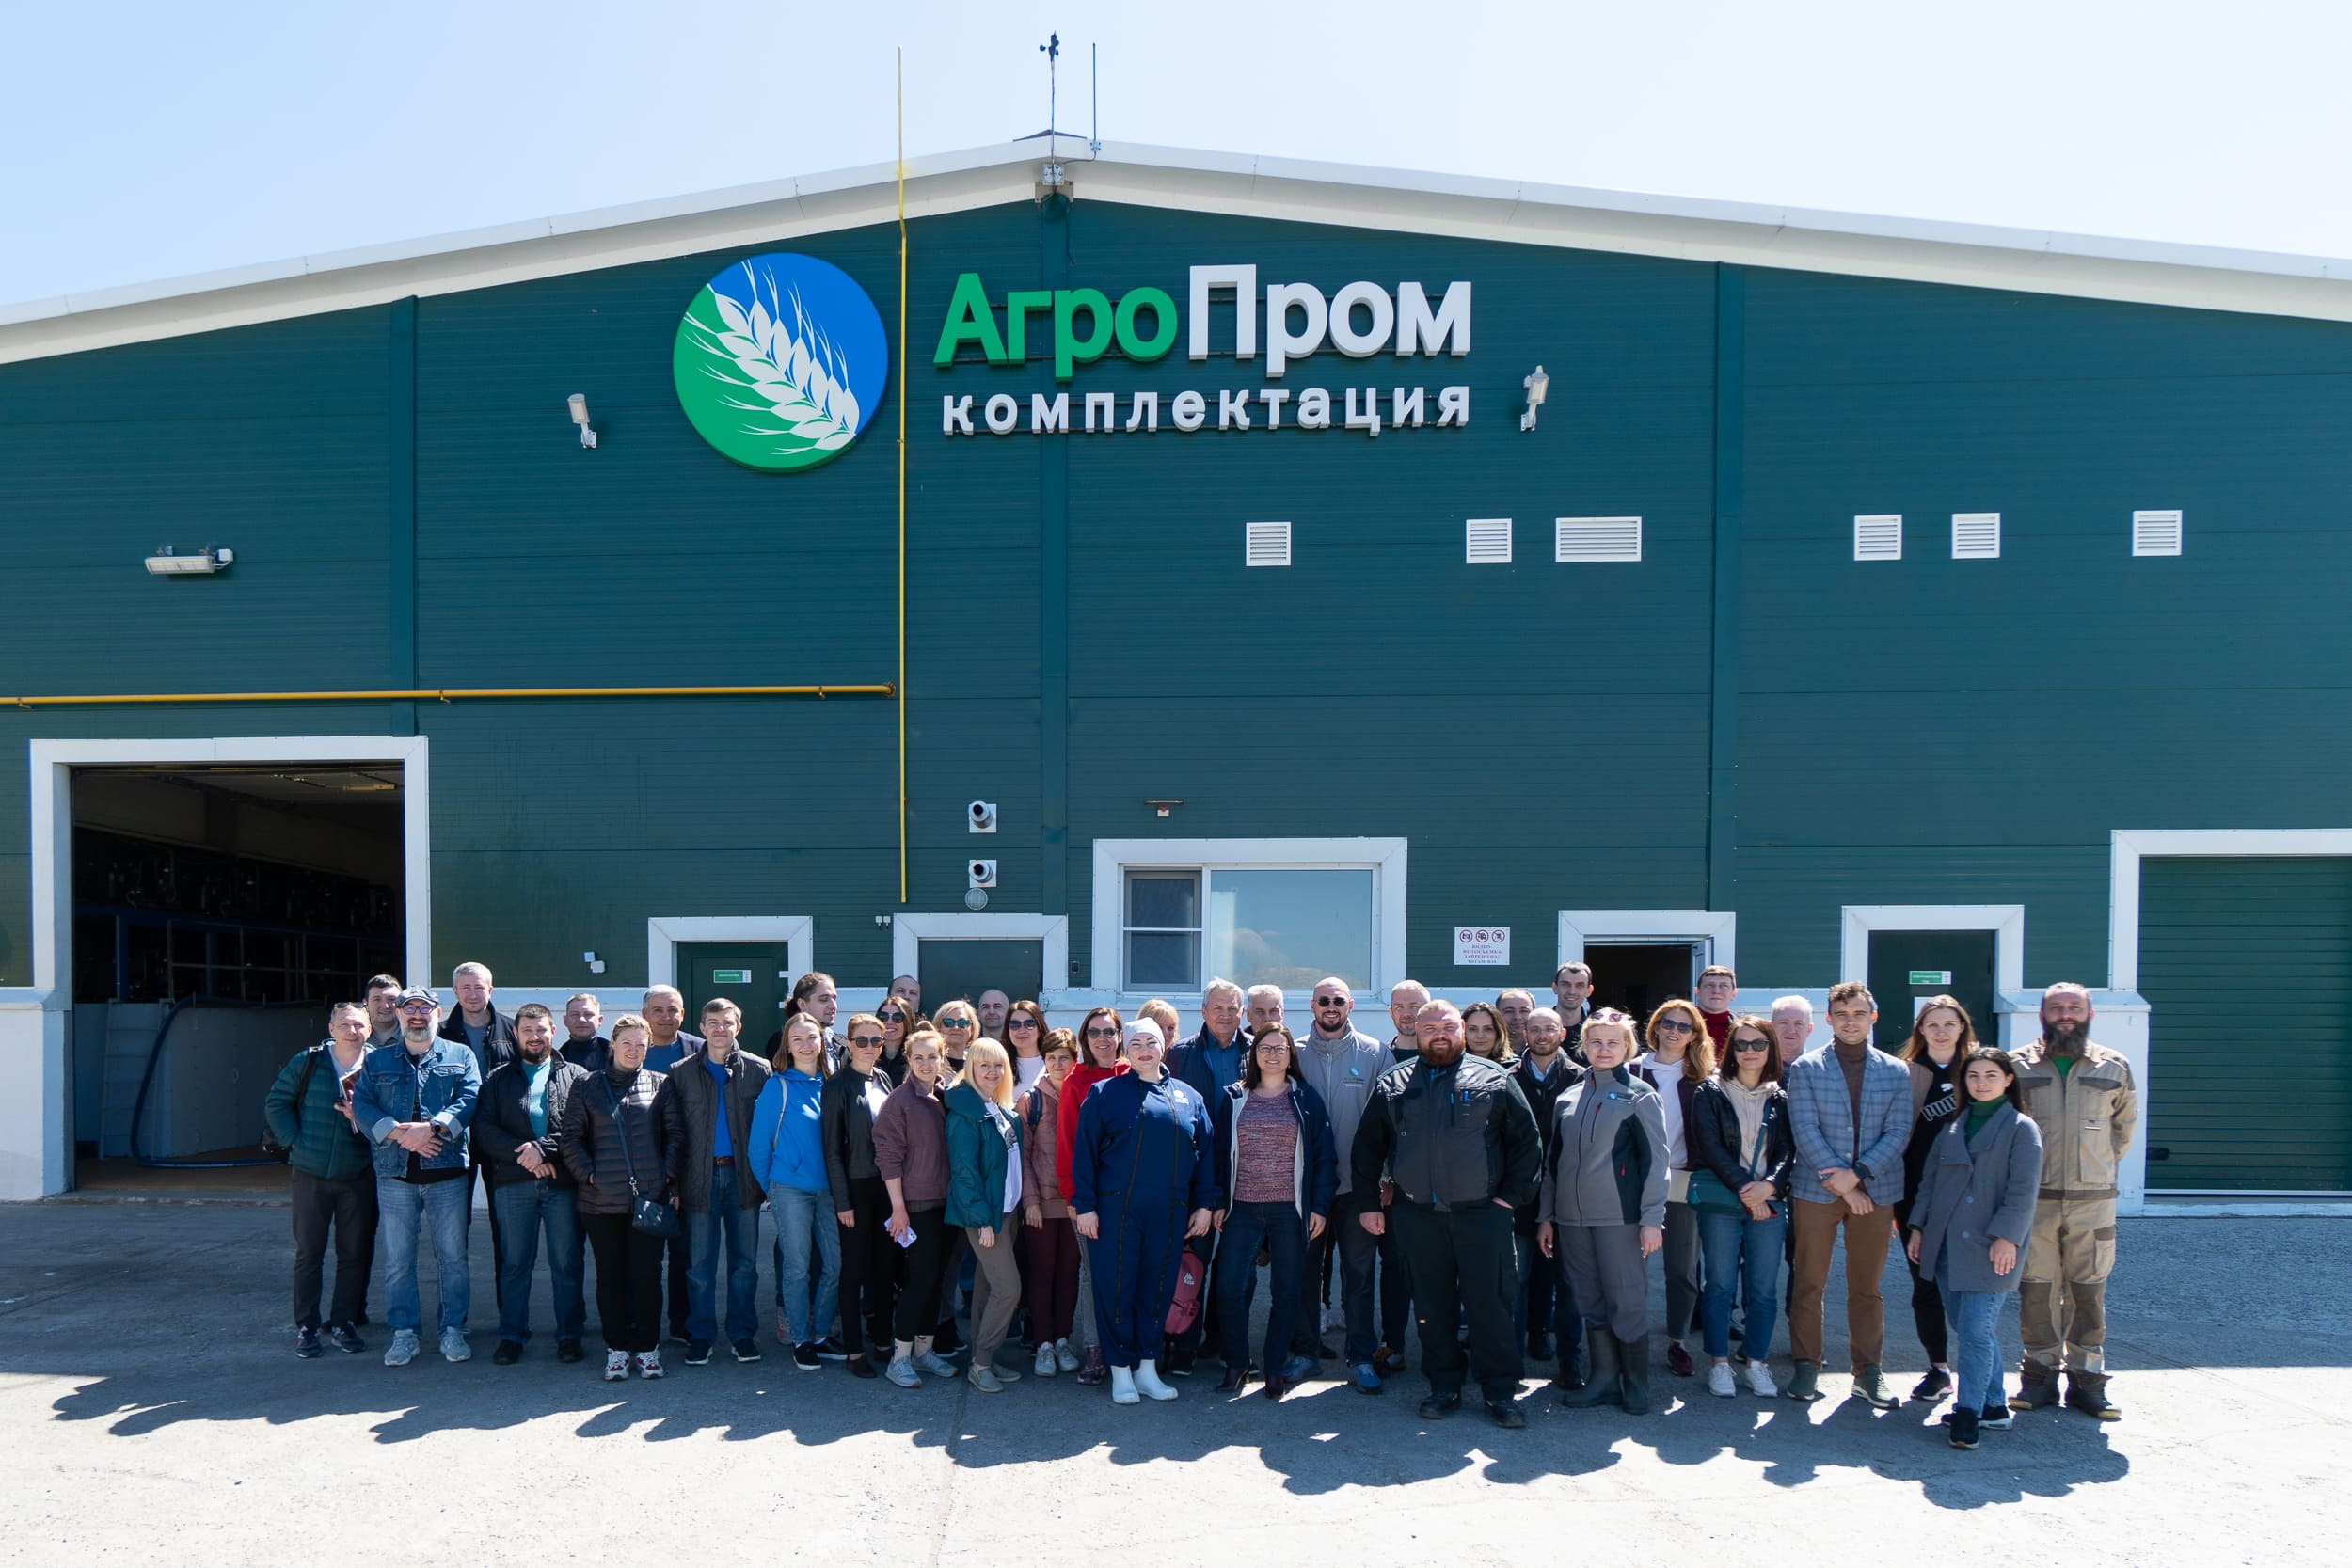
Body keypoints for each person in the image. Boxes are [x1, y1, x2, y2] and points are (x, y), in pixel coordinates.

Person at [1354, 999, 1542, 1430]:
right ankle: (1444, 1385)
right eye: (1430, 1028)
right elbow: (1367, 1149)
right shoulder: (1393, 1083)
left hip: (1483, 1215)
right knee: (1431, 1306)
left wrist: (1510, 1199)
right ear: (1416, 1032)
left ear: (1461, 1029)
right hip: (1417, 1216)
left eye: (1447, 1028)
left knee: (1491, 1304)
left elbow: (1527, 1143)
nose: (1439, 1035)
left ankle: (1499, 1391)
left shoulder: (1494, 1079)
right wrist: (1368, 1203)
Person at [1072, 1018, 1216, 1406]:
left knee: (1157, 1290)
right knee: (1116, 1289)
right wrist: (1085, 1207)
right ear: (1126, 1050)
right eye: (1136, 1044)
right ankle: (1121, 1370)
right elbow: (1083, 1154)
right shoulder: (1105, 1093)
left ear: (1163, 1046)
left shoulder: (1189, 1097)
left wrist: (1205, 1205)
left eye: (1151, 1042)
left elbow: (1206, 1157)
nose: (1145, 1050)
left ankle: (1147, 1369)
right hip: (1116, 1211)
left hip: (1168, 1213)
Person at [2010, 982, 2136, 1420]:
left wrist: (2094, 1169)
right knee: (2037, 1291)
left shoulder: (2114, 1066)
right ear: (2042, 1015)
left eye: (2075, 1008)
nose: (2066, 1014)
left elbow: (2123, 1130)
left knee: (2088, 1292)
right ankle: (2038, 1377)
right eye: (2057, 1007)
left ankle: (2087, 1381)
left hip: (2092, 1203)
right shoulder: (2016, 1066)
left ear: (2090, 1014)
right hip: (2036, 1201)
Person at [1784, 981, 1914, 1408]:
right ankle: (1807, 1363)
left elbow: (1898, 1131)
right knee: (1809, 1281)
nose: (1850, 1022)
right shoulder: (1807, 1068)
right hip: (1816, 1188)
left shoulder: (1895, 1070)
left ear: (1872, 1017)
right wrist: (1839, 1179)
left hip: (1876, 1189)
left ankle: (1868, 1370)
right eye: (1841, 1015)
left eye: (1858, 1014)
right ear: (1829, 1020)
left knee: (1866, 1286)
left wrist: (1857, 1177)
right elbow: (1804, 1128)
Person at [1907, 1047, 2044, 1449]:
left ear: (2008, 1080)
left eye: (1990, 1075)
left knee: (1975, 1330)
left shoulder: (2022, 1128)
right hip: (1946, 1245)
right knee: (1968, 1327)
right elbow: (1929, 1183)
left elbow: (2023, 1191)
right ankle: (1994, 1406)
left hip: (1991, 1246)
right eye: (1973, 1076)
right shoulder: (1954, 1126)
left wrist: (2007, 1237)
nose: (1981, 1083)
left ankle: (1967, 1411)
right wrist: (1918, 1227)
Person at [1538, 1008, 1668, 1413]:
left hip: (1620, 1219)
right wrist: (1546, 1216)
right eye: (1596, 1042)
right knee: (1589, 1299)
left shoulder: (1640, 1096)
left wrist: (1652, 1220)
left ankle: (1636, 1384)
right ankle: (1603, 1379)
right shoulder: (1568, 1096)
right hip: (1571, 1219)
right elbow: (1553, 1163)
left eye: (1613, 1042)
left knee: (1625, 1300)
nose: (1604, 1049)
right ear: (1585, 1046)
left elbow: (1657, 1163)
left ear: (1628, 1046)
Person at [351, 984, 480, 1368]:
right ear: (399, 1015)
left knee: (453, 1259)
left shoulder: (461, 1055)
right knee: (398, 1261)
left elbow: (470, 1097)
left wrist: (432, 1129)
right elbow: (363, 1104)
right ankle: (404, 1333)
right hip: (395, 1176)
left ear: (437, 1013)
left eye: (425, 1009)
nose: (417, 1016)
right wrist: (399, 1134)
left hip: (447, 1174)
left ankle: (453, 1330)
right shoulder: (377, 1060)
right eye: (410, 1009)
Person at [1207, 1024, 1337, 1400]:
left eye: (1281, 1048)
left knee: (1287, 1290)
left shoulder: (1306, 1098)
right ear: (1254, 1055)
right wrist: (1218, 1201)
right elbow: (1218, 1155)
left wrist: (1319, 1207)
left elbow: (1324, 1157)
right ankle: (1237, 1362)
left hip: (1290, 1210)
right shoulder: (1234, 1097)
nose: (1273, 1054)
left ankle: (1275, 1366)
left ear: (1291, 1055)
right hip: (1242, 1209)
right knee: (1229, 1287)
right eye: (1265, 1048)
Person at [473, 1002, 590, 1365]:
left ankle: (569, 1335)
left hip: (562, 1183)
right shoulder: (497, 1079)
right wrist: (524, 1155)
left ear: (553, 1031)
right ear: (516, 1034)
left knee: (566, 1262)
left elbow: (581, 1128)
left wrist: (543, 1150)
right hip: (513, 1183)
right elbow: (484, 1129)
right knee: (514, 1263)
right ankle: (511, 1335)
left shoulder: (577, 1075)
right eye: (527, 1030)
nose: (535, 1036)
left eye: (541, 1030)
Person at [1291, 976, 1392, 1393]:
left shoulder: (1375, 1053)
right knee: (1304, 1274)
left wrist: (1384, 1178)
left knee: (1359, 1277)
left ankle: (1362, 1357)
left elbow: (1390, 1121)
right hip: (1306, 1188)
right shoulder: (1292, 1052)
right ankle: (1304, 1352)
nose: (1330, 1007)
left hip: (1357, 1188)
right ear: (1312, 1006)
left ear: (1350, 1005)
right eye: (1323, 1001)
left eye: (1338, 1000)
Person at [559, 1013, 674, 1380]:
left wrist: (666, 1179)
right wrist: (589, 1174)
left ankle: (648, 1348)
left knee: (647, 1277)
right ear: (613, 1044)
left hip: (648, 1200)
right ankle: (617, 1349)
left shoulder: (661, 1084)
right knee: (610, 1277)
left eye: (641, 1044)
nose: (634, 1050)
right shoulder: (587, 1085)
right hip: (600, 1202)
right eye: (627, 1043)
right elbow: (570, 1139)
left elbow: (675, 1137)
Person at [657, 997, 771, 1366]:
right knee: (699, 1266)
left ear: (739, 1027)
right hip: (698, 1178)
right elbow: (672, 1133)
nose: (720, 1029)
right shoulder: (680, 1072)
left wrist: (768, 1180)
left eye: (727, 1023)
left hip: (743, 1178)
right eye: (713, 1023)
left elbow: (769, 1130)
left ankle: (742, 1335)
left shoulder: (759, 1070)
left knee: (745, 1265)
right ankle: (701, 1335)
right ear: (702, 1028)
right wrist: (673, 1185)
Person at [264, 1001, 378, 1357]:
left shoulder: (379, 1065)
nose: (352, 1031)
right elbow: (276, 1102)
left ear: (370, 1030)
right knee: (309, 1253)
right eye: (344, 1024)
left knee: (353, 1253)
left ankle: (343, 1322)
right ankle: (307, 1326)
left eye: (359, 1025)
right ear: (331, 1029)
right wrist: (295, 1143)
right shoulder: (309, 1061)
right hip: (310, 1174)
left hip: (358, 1174)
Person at [1689, 1015, 1793, 1398]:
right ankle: (1719, 1363)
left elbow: (1788, 1149)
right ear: (1730, 1049)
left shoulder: (1781, 1094)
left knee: (1763, 1289)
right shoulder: (1710, 1091)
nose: (1750, 1051)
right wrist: (1748, 1190)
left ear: (1770, 1049)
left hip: (1769, 1201)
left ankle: (1756, 1363)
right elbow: (1710, 1147)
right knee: (1719, 1284)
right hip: (1722, 1200)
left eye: (1758, 1044)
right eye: (1742, 1044)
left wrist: (1768, 1187)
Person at [1164, 979, 1250, 1375]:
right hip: (1195, 1173)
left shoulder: (1256, 1051)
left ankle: (1225, 1343)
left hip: (1244, 1173)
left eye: (1233, 1008)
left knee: (1236, 1269)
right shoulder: (1179, 1055)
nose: (1226, 1015)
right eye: (1218, 1008)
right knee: (1191, 1262)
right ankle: (1183, 1344)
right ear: (1203, 1012)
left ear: (1242, 1012)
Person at [1895, 996, 1976, 1403]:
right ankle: (1939, 1368)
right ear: (1921, 1030)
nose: (1941, 1031)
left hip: (1970, 1196)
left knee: (1969, 1285)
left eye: (1949, 1023)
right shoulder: (1905, 1073)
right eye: (1933, 1024)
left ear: (1962, 1027)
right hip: (1916, 1196)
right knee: (1924, 1282)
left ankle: (1979, 1370)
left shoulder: (1980, 1069)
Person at [751, 1013, 841, 1370]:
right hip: (790, 1190)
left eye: (812, 1037)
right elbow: (758, 1147)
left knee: (835, 1265)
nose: (806, 1045)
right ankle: (801, 1339)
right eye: (798, 1039)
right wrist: (772, 1189)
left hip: (830, 1191)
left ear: (822, 1042)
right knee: (798, 1267)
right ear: (787, 1045)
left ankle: (821, 1334)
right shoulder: (778, 1087)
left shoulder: (832, 1084)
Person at [874, 1027, 960, 1388]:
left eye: (932, 1057)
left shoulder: (947, 1096)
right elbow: (888, 1157)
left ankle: (924, 1352)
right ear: (909, 1060)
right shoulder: (900, 1101)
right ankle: (900, 1358)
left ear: (942, 1058)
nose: (926, 1064)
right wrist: (898, 1208)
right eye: (919, 1057)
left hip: (949, 1204)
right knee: (919, 1279)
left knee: (937, 1279)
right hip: (916, 1205)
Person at [946, 1040, 1030, 1392]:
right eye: (984, 1065)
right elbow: (964, 1173)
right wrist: (981, 1220)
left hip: (1008, 1213)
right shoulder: (964, 1114)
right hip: (985, 1217)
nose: (992, 1072)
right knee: (1009, 1289)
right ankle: (981, 1363)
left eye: (998, 1065)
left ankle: (984, 1360)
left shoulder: (999, 1109)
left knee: (987, 1287)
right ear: (970, 1069)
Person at [1637, 997, 1712, 1379]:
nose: (1674, 1031)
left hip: (1683, 1179)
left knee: (1682, 1268)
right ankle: (1629, 1341)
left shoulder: (1704, 1077)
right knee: (1632, 1266)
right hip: (1636, 1181)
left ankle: (1678, 1342)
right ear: (1656, 1026)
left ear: (1694, 1034)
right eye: (1668, 1023)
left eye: (1684, 1026)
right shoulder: (1633, 1069)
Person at [1510, 1006, 1583, 1382]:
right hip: (1519, 1197)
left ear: (1563, 1034)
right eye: (1535, 1029)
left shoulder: (1581, 1079)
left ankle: (1570, 1361)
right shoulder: (1508, 1078)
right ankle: (1511, 1361)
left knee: (1568, 1283)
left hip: (1569, 1197)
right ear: (1525, 1033)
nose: (1542, 1035)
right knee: (1517, 1280)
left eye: (1549, 1029)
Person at [822, 1013, 898, 1378]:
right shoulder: (837, 1086)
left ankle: (882, 1338)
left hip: (886, 1186)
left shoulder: (882, 1078)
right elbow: (832, 1149)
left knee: (885, 1266)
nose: (869, 1047)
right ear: (849, 1044)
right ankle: (854, 1349)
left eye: (876, 1041)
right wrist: (843, 1202)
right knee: (853, 1269)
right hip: (855, 1187)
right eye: (862, 1040)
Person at [1057, 1006, 1128, 1386]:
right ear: (1084, 1039)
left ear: (1120, 1036)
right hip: (1090, 1197)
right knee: (1093, 1273)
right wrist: (1074, 1197)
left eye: (1109, 1032)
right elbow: (1067, 1143)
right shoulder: (1075, 1082)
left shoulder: (1136, 1074)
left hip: (1132, 1195)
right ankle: (1095, 1348)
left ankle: (1128, 1346)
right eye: (1094, 1033)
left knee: (1130, 1271)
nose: (1102, 1039)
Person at [1373, 979, 1431, 1370]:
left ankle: (1438, 1350)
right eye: (1400, 1007)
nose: (1408, 1014)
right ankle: (1392, 1344)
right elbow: (1375, 1129)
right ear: (1391, 1012)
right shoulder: (1381, 1058)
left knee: (1435, 1270)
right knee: (1393, 1266)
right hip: (1393, 1188)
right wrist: (1383, 1177)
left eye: (1416, 1006)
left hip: (1440, 1188)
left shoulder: (1445, 1056)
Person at [1018, 1029, 1083, 1379]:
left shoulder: (1085, 1094)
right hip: (1041, 1202)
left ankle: (1062, 1339)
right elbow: (1023, 1155)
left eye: (1064, 1058)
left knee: (1069, 1272)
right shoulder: (1031, 1100)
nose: (1058, 1064)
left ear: (1075, 1060)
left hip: (1075, 1203)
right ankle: (1043, 1343)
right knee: (1042, 1272)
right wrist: (1029, 1200)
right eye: (1052, 1058)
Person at [640, 985, 704, 1343]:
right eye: (658, 1010)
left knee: (685, 1253)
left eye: (673, 1010)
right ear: (645, 1014)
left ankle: (683, 1322)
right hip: (642, 1167)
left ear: (683, 1014)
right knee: (644, 1255)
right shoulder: (632, 1048)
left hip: (690, 1165)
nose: (666, 1017)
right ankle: (641, 1324)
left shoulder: (699, 1048)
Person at [439, 961, 517, 1078]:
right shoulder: (440, 1035)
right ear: (456, 992)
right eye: (466, 988)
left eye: (479, 987)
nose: (473, 995)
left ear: (490, 991)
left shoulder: (513, 1030)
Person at [1003, 1000, 1049, 1092]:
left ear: (1040, 1029)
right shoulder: (1000, 1064)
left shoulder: (1054, 1062)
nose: (1022, 1030)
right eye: (1015, 1025)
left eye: (1029, 1024)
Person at [1551, 963, 1594, 1062]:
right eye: (1565, 984)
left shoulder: (1595, 1032)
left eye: (1580, 985)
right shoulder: (1540, 1029)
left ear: (1589, 991)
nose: (1572, 991)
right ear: (1555, 987)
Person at [1694, 964, 1739, 1054]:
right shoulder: (1681, 1025)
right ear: (1697, 992)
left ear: (1734, 993)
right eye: (1709, 985)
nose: (1716, 991)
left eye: (1724, 985)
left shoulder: (1741, 1029)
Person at [561, 992, 609, 1069]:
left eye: (588, 1014)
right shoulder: (555, 1061)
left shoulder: (616, 1057)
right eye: (575, 1014)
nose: (581, 1020)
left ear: (600, 1020)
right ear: (565, 1020)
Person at [1461, 1000, 1518, 1067]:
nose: (1480, 1036)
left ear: (1498, 1032)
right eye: (1473, 1029)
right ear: (1463, 1032)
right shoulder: (1453, 1067)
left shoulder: (1515, 1067)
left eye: (1488, 1029)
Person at [929, 999, 976, 1078]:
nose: (956, 1028)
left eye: (963, 1023)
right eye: (948, 1023)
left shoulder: (978, 1062)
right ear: (938, 1028)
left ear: (972, 1028)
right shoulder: (930, 1062)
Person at [874, 996, 915, 1081]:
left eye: (897, 1018)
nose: (889, 1022)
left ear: (907, 1022)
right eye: (883, 1017)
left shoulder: (916, 1055)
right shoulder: (867, 1052)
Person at [1771, 995, 1816, 1068]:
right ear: (1771, 1027)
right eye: (1784, 1023)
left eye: (1798, 1024)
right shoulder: (1756, 1067)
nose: (1791, 1030)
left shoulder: (1820, 1069)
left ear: (1809, 1029)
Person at [363, 974, 403, 1049]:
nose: (385, 1006)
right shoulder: (356, 1037)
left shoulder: (412, 1036)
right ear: (366, 1004)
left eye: (391, 999)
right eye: (377, 999)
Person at [1495, 989, 1537, 1055]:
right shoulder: (1487, 1050)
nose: (1517, 1017)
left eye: (1524, 1011)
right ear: (1497, 1014)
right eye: (1509, 1011)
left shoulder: (1546, 1049)